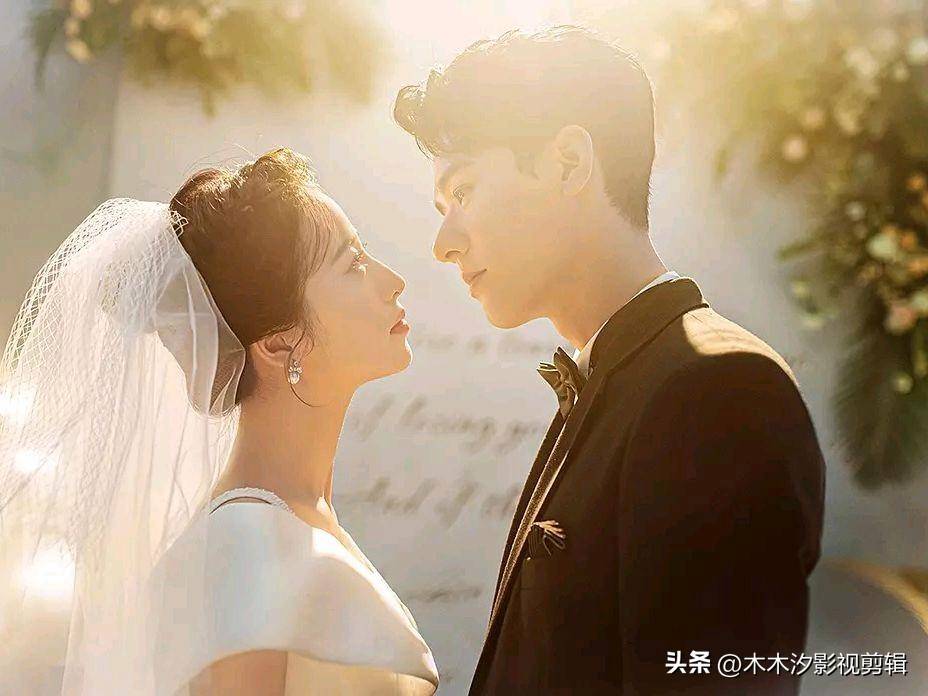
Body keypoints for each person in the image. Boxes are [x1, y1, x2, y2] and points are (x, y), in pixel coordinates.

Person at [394, 26, 826, 694]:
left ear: (569, 162)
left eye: (466, 191)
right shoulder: (621, 377)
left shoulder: (717, 393)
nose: (443, 244)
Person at [0, 148, 438, 695]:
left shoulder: (294, 521)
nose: (393, 281)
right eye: (353, 264)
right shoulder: (245, 547)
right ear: (278, 345)